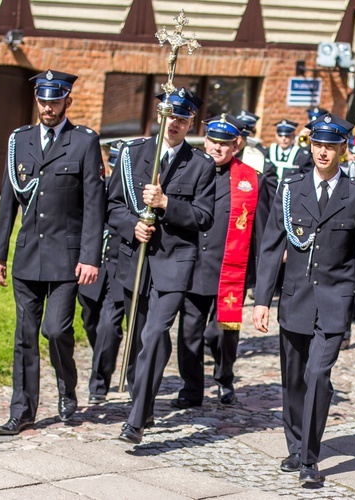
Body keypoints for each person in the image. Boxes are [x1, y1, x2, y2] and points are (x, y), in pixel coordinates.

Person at [252, 113, 355, 484]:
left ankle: (309, 458)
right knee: (293, 380)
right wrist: (261, 300)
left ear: (343, 149)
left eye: (331, 146)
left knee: (318, 374)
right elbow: (271, 247)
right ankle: (295, 446)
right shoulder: (290, 190)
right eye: (318, 145)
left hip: (336, 301)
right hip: (296, 299)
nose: (323, 152)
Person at [0, 69, 106, 435]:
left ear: (67, 101)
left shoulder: (84, 141)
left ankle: (66, 386)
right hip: (27, 257)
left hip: (66, 259)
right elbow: (8, 202)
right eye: (43, 100)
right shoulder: (19, 140)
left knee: (56, 331)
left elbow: (94, 206)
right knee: (25, 336)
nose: (48, 107)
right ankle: (22, 410)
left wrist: (90, 257)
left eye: (54, 101)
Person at [111, 88, 216, 445]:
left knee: (155, 334)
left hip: (174, 263)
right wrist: (132, 225)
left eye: (183, 120)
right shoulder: (133, 153)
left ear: (191, 124)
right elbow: (111, 206)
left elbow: (204, 217)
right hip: (136, 261)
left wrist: (167, 202)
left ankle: (136, 420)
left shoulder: (200, 165)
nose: (175, 124)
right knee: (142, 338)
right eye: (171, 117)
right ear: (160, 116)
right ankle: (146, 399)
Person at [173, 114, 268, 409]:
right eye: (213, 141)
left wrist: (260, 273)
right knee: (189, 332)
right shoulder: (188, 169)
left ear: (236, 145)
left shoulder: (252, 179)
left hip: (230, 267)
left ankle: (224, 377)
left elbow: (261, 231)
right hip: (192, 265)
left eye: (224, 144)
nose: (217, 148)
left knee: (222, 333)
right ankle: (191, 388)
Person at [78, 140, 127, 404]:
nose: (116, 168)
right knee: (91, 323)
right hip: (92, 271)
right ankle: (102, 360)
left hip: (119, 273)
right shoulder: (95, 191)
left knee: (109, 327)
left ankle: (99, 384)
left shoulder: (134, 196)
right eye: (113, 162)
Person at [264, 119, 314, 196]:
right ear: (276, 135)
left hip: (291, 195)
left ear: (293, 136)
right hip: (269, 195)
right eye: (280, 135)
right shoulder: (268, 152)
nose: (284, 139)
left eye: (287, 136)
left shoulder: (301, 156)